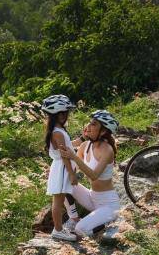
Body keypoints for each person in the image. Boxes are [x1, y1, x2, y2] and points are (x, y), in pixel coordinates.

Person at [58, 109, 121, 238]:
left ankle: (110, 222)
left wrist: (73, 157)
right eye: (90, 123)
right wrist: (60, 170)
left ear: (103, 131)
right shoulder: (85, 146)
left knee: (81, 230)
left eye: (94, 124)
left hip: (108, 205)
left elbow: (94, 175)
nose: (88, 126)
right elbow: (73, 168)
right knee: (62, 180)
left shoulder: (107, 150)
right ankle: (74, 218)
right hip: (92, 198)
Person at [42, 94, 81, 242]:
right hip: (63, 169)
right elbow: (65, 155)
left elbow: (69, 147)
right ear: (57, 115)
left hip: (60, 168)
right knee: (58, 201)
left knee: (60, 199)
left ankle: (60, 228)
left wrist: (82, 139)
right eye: (64, 113)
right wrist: (71, 174)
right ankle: (57, 230)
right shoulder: (58, 133)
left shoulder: (57, 130)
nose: (66, 116)